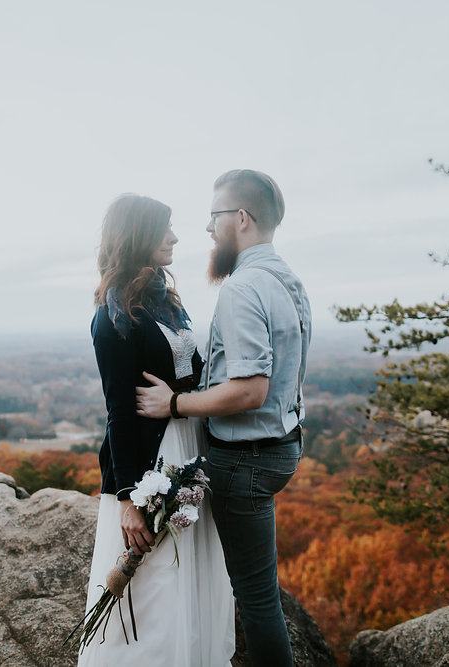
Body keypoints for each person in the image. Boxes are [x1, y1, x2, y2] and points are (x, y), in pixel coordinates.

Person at [135, 170, 311, 667]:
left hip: (245, 460)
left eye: (214, 217)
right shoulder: (287, 280)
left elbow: (250, 390)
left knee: (256, 598)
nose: (208, 229)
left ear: (240, 218)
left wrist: (174, 404)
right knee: (257, 588)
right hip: (279, 446)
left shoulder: (243, 288)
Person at [79, 194, 235, 666]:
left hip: (187, 445)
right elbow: (118, 412)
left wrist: (187, 404)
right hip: (153, 460)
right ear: (138, 235)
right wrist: (128, 497)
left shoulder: (167, 305)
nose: (174, 237)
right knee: (157, 579)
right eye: (164, 229)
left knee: (191, 569)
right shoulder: (113, 317)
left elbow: (195, 376)